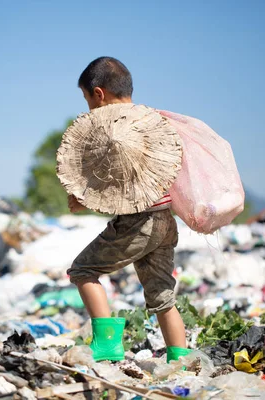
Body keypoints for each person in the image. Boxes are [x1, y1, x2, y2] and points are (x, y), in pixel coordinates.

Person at [66, 56, 191, 363]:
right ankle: (181, 359)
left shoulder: (115, 132)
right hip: (165, 219)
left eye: (87, 100)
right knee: (162, 295)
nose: (89, 109)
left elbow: (113, 181)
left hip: (139, 221)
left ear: (99, 94)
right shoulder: (150, 122)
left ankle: (107, 345)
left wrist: (81, 199)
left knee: (84, 270)